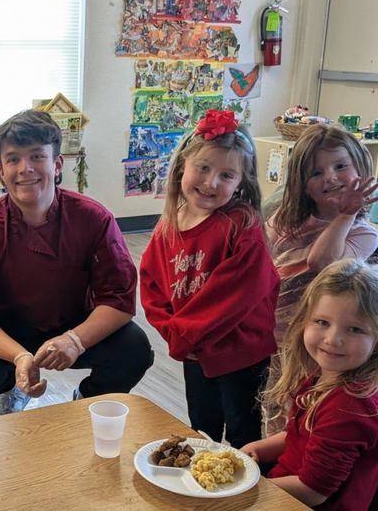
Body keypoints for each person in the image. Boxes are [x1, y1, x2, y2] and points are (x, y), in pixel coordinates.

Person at [0, 110, 153, 415]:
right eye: (13, 159)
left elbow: (119, 300)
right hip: (9, 329)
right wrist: (19, 358)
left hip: (75, 323)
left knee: (135, 349)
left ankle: (85, 397)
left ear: (57, 165)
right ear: (1, 171)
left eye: (36, 156)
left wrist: (75, 340)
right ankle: (16, 387)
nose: (24, 169)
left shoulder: (94, 218)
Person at [139, 109, 279, 449]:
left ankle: (250, 496)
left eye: (226, 175)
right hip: (195, 353)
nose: (211, 182)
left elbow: (238, 293)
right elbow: (152, 284)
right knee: (201, 427)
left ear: (241, 182)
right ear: (183, 166)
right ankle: (205, 488)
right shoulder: (170, 224)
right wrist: (176, 334)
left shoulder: (241, 223)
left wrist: (184, 335)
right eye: (203, 168)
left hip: (240, 353)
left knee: (244, 431)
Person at [264, 124, 378, 432]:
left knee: (313, 415)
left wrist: (345, 215)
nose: (330, 177)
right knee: (276, 409)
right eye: (316, 173)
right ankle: (275, 469)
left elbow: (322, 262)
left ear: (361, 169)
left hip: (326, 347)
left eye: (341, 166)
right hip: (279, 341)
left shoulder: (364, 233)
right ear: (302, 185)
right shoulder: (284, 222)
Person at [241, 259, 378, 510]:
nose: (333, 339)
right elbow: (300, 435)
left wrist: (246, 486)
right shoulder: (325, 375)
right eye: (322, 322)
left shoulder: (349, 407)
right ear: (305, 320)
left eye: (355, 329)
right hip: (286, 486)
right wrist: (258, 448)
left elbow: (313, 491)